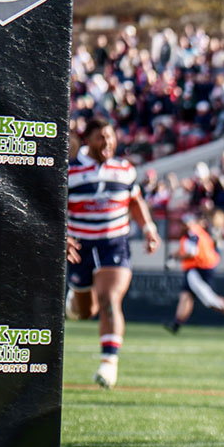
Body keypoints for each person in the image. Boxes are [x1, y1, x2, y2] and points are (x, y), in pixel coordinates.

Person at [67, 118, 162, 389]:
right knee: (85, 311)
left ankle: (109, 363)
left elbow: (135, 201)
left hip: (114, 244)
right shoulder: (69, 170)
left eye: (110, 136)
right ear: (87, 140)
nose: (107, 142)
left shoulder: (124, 170)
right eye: (101, 137)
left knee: (110, 299)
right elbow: (53, 207)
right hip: (80, 247)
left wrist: (148, 229)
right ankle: (75, 300)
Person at [164, 212, 224, 334]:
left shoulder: (192, 232)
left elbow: (192, 252)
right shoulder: (194, 232)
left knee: (209, 299)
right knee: (186, 296)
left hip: (198, 269)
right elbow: (184, 249)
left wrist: (175, 258)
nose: (182, 226)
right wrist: (173, 255)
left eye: (185, 223)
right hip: (196, 268)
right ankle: (176, 323)